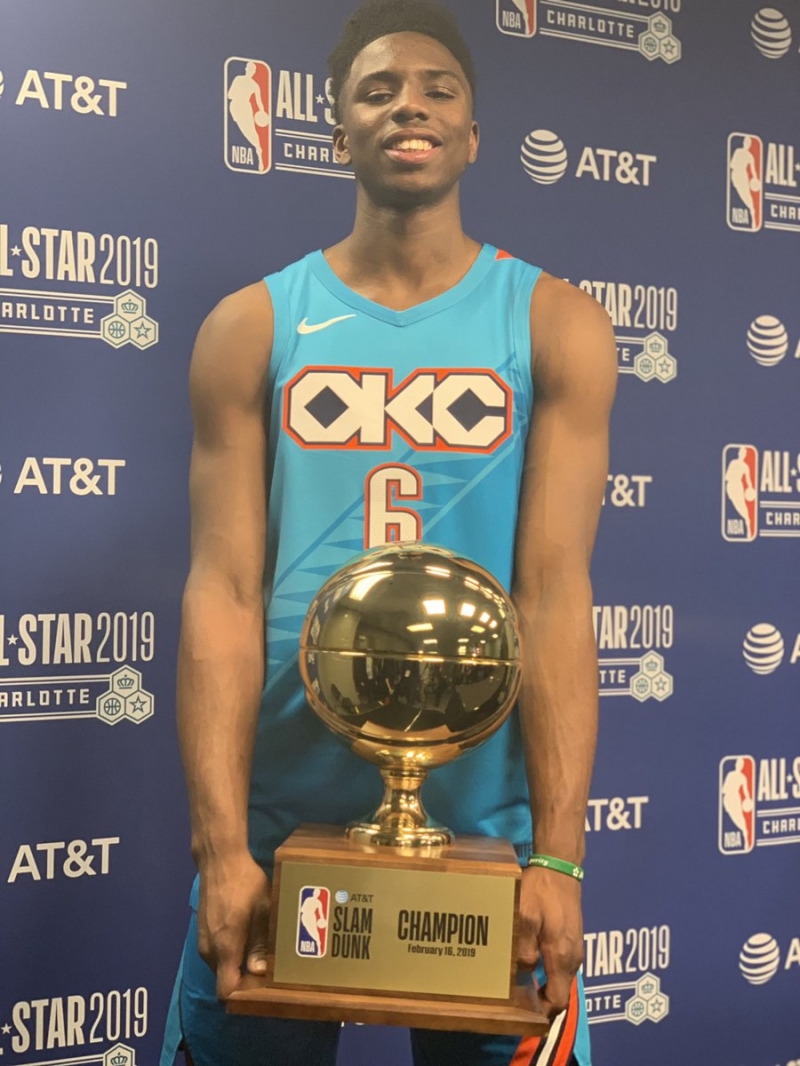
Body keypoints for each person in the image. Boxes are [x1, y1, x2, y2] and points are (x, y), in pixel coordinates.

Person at [160, 1, 616, 1064]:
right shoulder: (253, 325)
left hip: (485, 833)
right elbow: (222, 592)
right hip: (280, 826)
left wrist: (558, 860)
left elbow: (554, 596)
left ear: (472, 134)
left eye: (436, 89)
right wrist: (221, 848)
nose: (408, 105)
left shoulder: (552, 321)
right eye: (377, 91)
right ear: (337, 134)